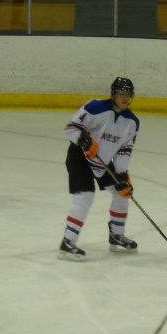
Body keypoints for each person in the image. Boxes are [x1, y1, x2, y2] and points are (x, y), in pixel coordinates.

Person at [59, 76, 139, 260]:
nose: (125, 98)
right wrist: (83, 139)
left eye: (128, 95)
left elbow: (124, 151)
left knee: (122, 192)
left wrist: (122, 175)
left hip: (101, 160)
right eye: (121, 94)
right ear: (113, 94)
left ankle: (116, 235)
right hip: (79, 156)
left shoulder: (132, 122)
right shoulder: (95, 107)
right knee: (85, 196)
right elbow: (70, 128)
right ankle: (67, 242)